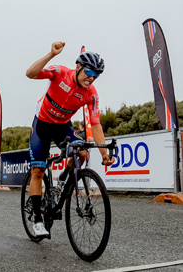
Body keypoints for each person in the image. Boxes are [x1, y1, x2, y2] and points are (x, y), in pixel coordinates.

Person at [25, 41, 115, 236]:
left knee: (81, 153)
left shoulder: (91, 94)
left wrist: (104, 153)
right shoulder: (60, 73)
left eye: (96, 75)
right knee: (38, 171)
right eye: (89, 73)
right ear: (78, 67)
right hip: (41, 125)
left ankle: (61, 184)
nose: (92, 79)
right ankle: (38, 221)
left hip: (62, 127)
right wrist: (51, 54)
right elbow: (30, 73)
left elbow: (96, 123)